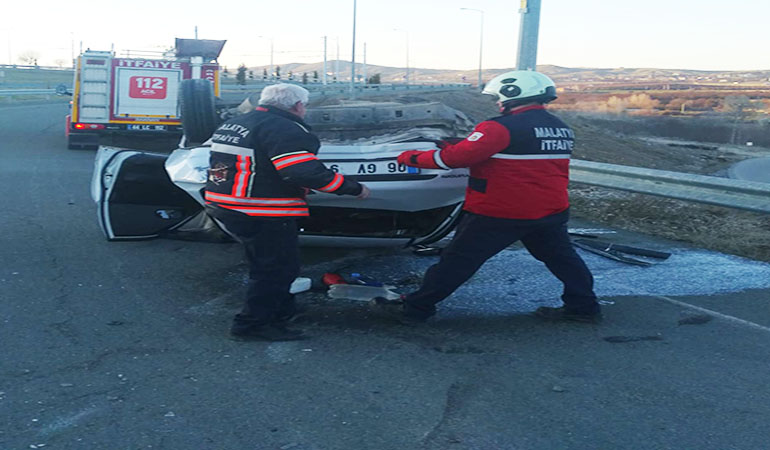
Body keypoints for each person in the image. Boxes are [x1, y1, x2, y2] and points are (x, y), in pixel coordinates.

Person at [372, 70, 601, 324]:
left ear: (513, 93)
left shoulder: (498, 127)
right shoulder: (560, 128)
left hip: (499, 211)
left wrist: (411, 158)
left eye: (498, 97)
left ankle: (416, 308)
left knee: (457, 262)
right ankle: (583, 307)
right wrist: (460, 146)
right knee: (563, 259)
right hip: (550, 209)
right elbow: (509, 155)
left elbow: (454, 159)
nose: (497, 102)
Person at [205, 83, 370, 341]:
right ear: (297, 106)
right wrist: (351, 188)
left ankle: (281, 310)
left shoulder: (237, 122)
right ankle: (252, 325)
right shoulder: (285, 129)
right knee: (276, 269)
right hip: (262, 210)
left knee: (266, 264)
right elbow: (300, 170)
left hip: (227, 203)